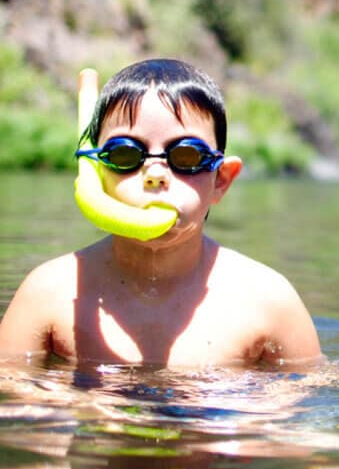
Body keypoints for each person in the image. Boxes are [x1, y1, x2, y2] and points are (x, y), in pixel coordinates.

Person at [0, 58, 322, 368]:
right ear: (95, 173)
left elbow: (312, 409)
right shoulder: (47, 294)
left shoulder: (268, 302)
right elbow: (15, 400)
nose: (155, 174)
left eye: (186, 155)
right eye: (125, 154)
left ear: (221, 181)